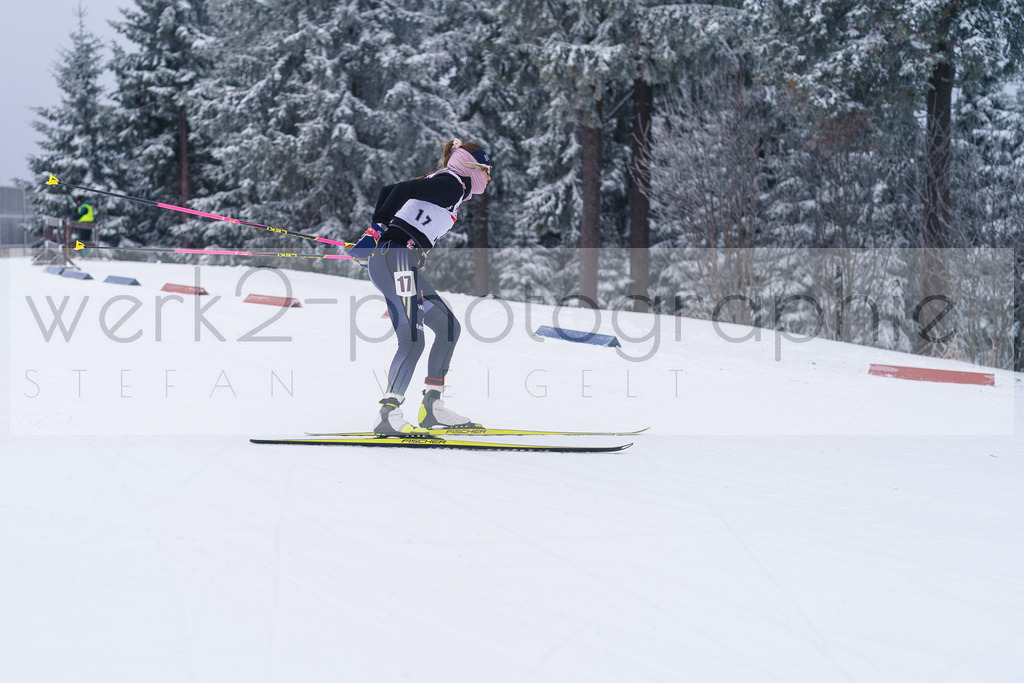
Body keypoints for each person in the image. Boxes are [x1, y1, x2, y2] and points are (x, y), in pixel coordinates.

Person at [348, 139, 492, 435]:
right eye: (486, 170)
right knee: (412, 339)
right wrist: (376, 232)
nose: (488, 177)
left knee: (448, 327)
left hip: (399, 259)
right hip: (395, 259)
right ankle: (388, 414)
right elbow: (400, 191)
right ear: (471, 167)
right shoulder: (453, 184)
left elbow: (391, 191)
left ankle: (432, 408)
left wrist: (383, 237)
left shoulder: (448, 185)